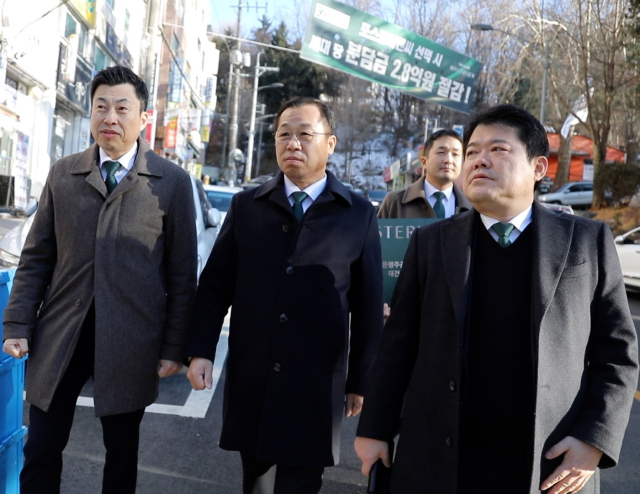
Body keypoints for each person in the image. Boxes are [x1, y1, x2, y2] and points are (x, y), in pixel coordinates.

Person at [354, 104, 638, 494]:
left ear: (539, 168)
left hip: (549, 462)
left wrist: (594, 439)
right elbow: (398, 346)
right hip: (442, 457)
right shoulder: (432, 243)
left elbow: (618, 351)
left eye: (498, 150)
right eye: (471, 151)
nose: (478, 161)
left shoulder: (585, 241)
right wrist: (375, 429)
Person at [1, 66, 197, 494]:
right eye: (101, 107)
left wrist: (174, 348)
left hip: (131, 340)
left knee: (121, 455)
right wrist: (16, 324)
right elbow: (36, 257)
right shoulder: (63, 174)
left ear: (143, 117)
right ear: (90, 114)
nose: (110, 117)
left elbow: (183, 277)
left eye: (122, 108)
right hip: (61, 335)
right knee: (42, 447)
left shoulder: (173, 184)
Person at [187, 96, 383, 494]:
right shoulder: (247, 207)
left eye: (305, 134)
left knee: (302, 485)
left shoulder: (358, 214)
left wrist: (360, 380)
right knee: (256, 484)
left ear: (330, 144)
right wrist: (201, 351)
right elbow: (214, 287)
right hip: (254, 375)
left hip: (315, 384)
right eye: (283, 135)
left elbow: (367, 307)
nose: (292, 143)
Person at [377, 129, 471, 219]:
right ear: (424, 162)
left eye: (455, 154)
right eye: (441, 152)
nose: (448, 160)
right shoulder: (395, 202)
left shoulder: (472, 206)